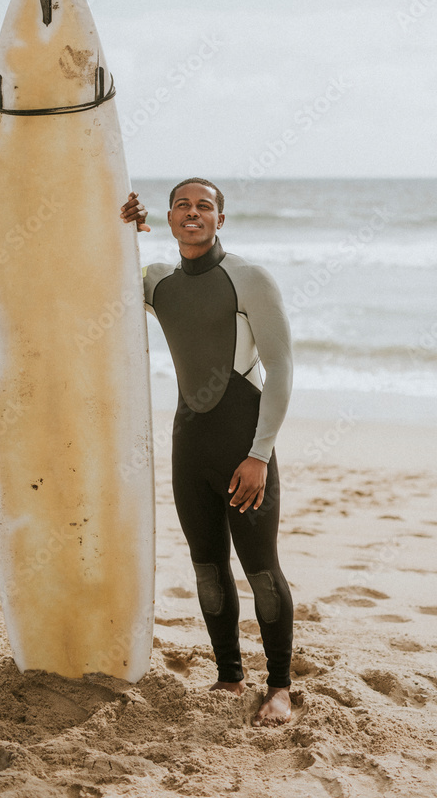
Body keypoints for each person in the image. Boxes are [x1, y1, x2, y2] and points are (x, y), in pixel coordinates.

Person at [120, 178, 294, 727]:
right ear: (169, 218)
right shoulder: (155, 281)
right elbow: (93, 272)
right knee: (206, 566)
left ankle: (281, 687)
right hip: (188, 444)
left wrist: (259, 455)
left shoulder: (249, 278)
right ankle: (228, 673)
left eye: (205, 206)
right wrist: (122, 226)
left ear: (221, 219)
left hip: (243, 444)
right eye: (182, 206)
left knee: (261, 569)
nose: (192, 213)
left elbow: (282, 372)